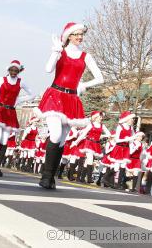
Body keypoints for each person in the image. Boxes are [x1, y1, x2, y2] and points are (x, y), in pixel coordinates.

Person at [34, 22, 104, 189]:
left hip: (71, 99)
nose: (80, 37)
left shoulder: (86, 56)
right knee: (56, 134)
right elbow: (48, 69)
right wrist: (56, 51)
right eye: (76, 34)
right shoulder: (61, 51)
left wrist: (84, 85)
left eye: (81, 34)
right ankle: (45, 175)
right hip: (55, 95)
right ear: (69, 36)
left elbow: (100, 78)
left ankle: (51, 178)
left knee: (62, 140)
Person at [0, 60, 35, 177]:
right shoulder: (1, 80)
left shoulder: (21, 82)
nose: (13, 72)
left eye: (16, 70)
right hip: (0, 111)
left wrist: (19, 100)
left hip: (11, 112)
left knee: (4, 140)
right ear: (8, 70)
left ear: (18, 71)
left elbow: (32, 94)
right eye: (11, 70)